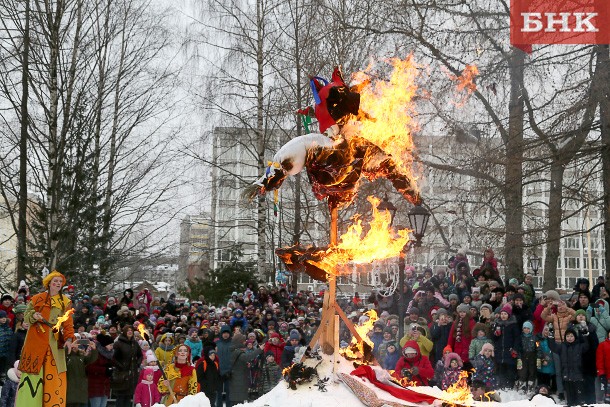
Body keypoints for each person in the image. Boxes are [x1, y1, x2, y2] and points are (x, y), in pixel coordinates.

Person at [17, 270, 76, 406]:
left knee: (53, 379)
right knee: (32, 377)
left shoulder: (65, 302)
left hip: (54, 344)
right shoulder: (37, 298)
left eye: (60, 282)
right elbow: (26, 316)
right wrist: (33, 316)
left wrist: (68, 340)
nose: (57, 283)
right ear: (48, 283)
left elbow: (68, 324)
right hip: (35, 341)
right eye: (55, 281)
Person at [548, 326, 588, 406]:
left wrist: (584, 334)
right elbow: (553, 347)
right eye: (568, 336)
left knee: (580, 399)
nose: (569, 338)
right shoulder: (562, 346)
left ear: (575, 337)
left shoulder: (579, 346)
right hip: (567, 376)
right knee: (570, 399)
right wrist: (551, 336)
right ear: (565, 337)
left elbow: (586, 346)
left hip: (578, 376)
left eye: (571, 336)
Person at [228, 332, 263, 406]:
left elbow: (239, 362)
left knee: (236, 400)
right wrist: (259, 349)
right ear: (240, 341)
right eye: (244, 341)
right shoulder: (238, 351)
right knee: (238, 401)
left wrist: (245, 364)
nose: (245, 342)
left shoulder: (234, 350)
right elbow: (248, 357)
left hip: (236, 377)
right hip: (238, 379)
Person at [112, 325, 143, 407]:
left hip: (132, 374)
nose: (130, 332)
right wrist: (121, 366)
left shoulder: (135, 343)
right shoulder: (118, 343)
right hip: (122, 374)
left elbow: (140, 355)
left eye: (131, 330)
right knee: (121, 397)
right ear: (124, 332)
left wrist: (137, 364)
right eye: (128, 330)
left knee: (128, 397)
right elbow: (113, 358)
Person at [491, 303, 520, 389]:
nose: (503, 316)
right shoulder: (497, 324)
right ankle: (501, 385)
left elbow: (517, 338)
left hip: (509, 351)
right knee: (501, 369)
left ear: (509, 315)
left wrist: (515, 348)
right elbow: (493, 338)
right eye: (502, 314)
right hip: (500, 351)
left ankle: (510, 385)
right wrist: (496, 334)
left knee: (510, 369)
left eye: (505, 314)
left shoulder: (513, 325)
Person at [66, 336, 98, 407]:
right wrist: (68, 348)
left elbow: (91, 360)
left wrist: (94, 349)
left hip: (80, 390)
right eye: (73, 344)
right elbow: (63, 358)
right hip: (69, 391)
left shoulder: (81, 357)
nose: (75, 346)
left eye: (77, 344)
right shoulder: (66, 357)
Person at [86, 333, 114, 407]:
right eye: (110, 345)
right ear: (105, 345)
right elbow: (89, 367)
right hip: (95, 386)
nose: (112, 347)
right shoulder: (95, 352)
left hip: (105, 386)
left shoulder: (110, 355)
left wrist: (111, 370)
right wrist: (104, 370)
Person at [517, 321, 537, 393]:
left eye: (528, 328)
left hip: (532, 356)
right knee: (522, 371)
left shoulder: (535, 338)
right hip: (523, 356)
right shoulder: (520, 337)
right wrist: (518, 357)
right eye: (524, 328)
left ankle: (530, 386)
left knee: (532, 371)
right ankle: (522, 385)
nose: (526, 330)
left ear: (531, 329)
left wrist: (538, 356)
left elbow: (538, 347)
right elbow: (518, 348)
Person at [215, 324, 233, 407]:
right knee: (218, 392)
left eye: (227, 333)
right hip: (218, 372)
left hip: (229, 372)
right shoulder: (217, 344)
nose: (225, 334)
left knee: (229, 392)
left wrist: (231, 370)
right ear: (221, 333)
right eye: (224, 333)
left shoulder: (233, 344)